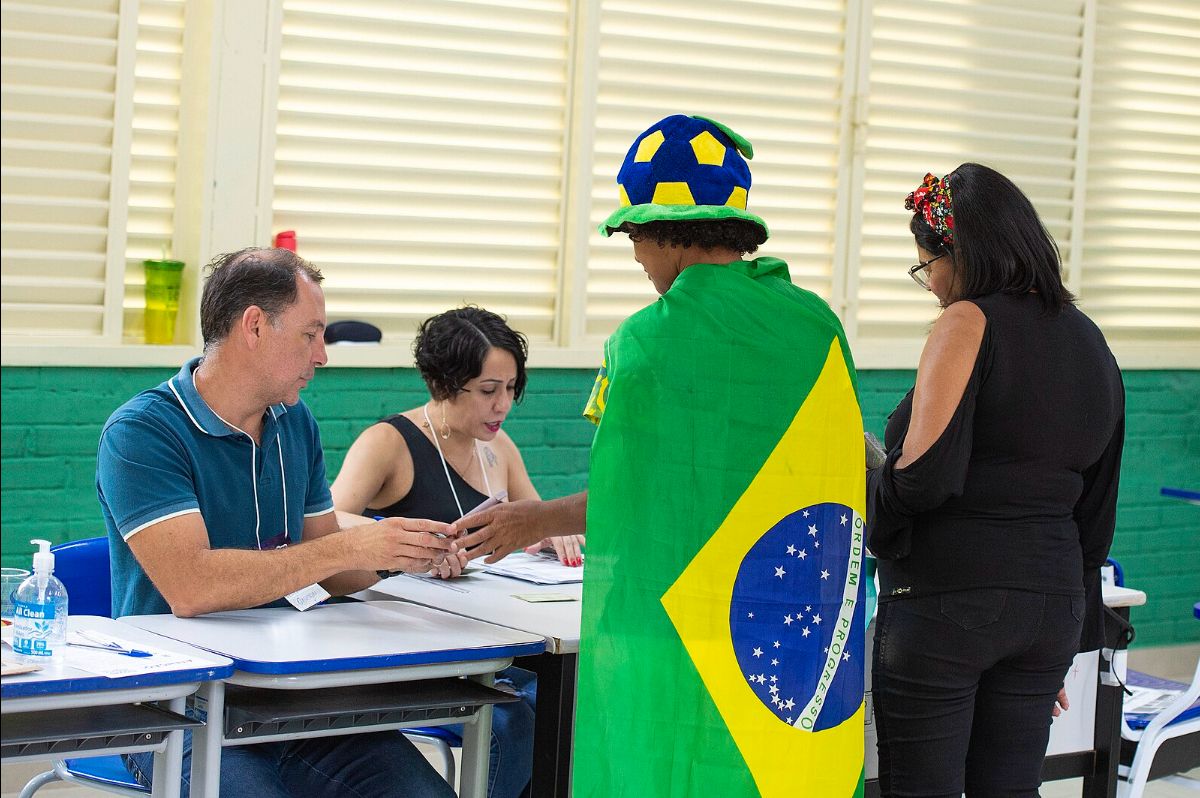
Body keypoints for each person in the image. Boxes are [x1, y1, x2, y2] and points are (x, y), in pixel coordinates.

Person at [462, 115, 866, 795]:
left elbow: (630, 495)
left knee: (670, 771)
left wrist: (529, 521)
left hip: (669, 635)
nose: (637, 256)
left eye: (636, 239)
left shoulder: (643, 346)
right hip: (788, 636)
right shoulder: (819, 326)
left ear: (666, 232)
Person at [96, 247, 459, 798]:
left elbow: (328, 566)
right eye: (311, 335)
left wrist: (398, 555)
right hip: (176, 708)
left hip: (294, 689)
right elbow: (191, 587)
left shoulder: (295, 422)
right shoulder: (142, 433)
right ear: (255, 326)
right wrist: (349, 548)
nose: (323, 356)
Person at [865, 164, 1125, 797]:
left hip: (950, 601)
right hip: (1050, 607)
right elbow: (1096, 509)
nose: (931, 286)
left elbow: (922, 481)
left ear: (959, 253)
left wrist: (869, 469)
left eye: (927, 266)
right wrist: (1055, 630)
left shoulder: (967, 322)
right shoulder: (1092, 342)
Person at [331, 305, 583, 798]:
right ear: (443, 384)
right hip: (414, 646)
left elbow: (531, 518)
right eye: (489, 391)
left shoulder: (499, 448)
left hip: (493, 639)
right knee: (520, 718)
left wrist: (550, 534)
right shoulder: (389, 443)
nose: (502, 405)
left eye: (511, 389)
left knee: (569, 703)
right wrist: (401, 535)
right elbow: (328, 520)